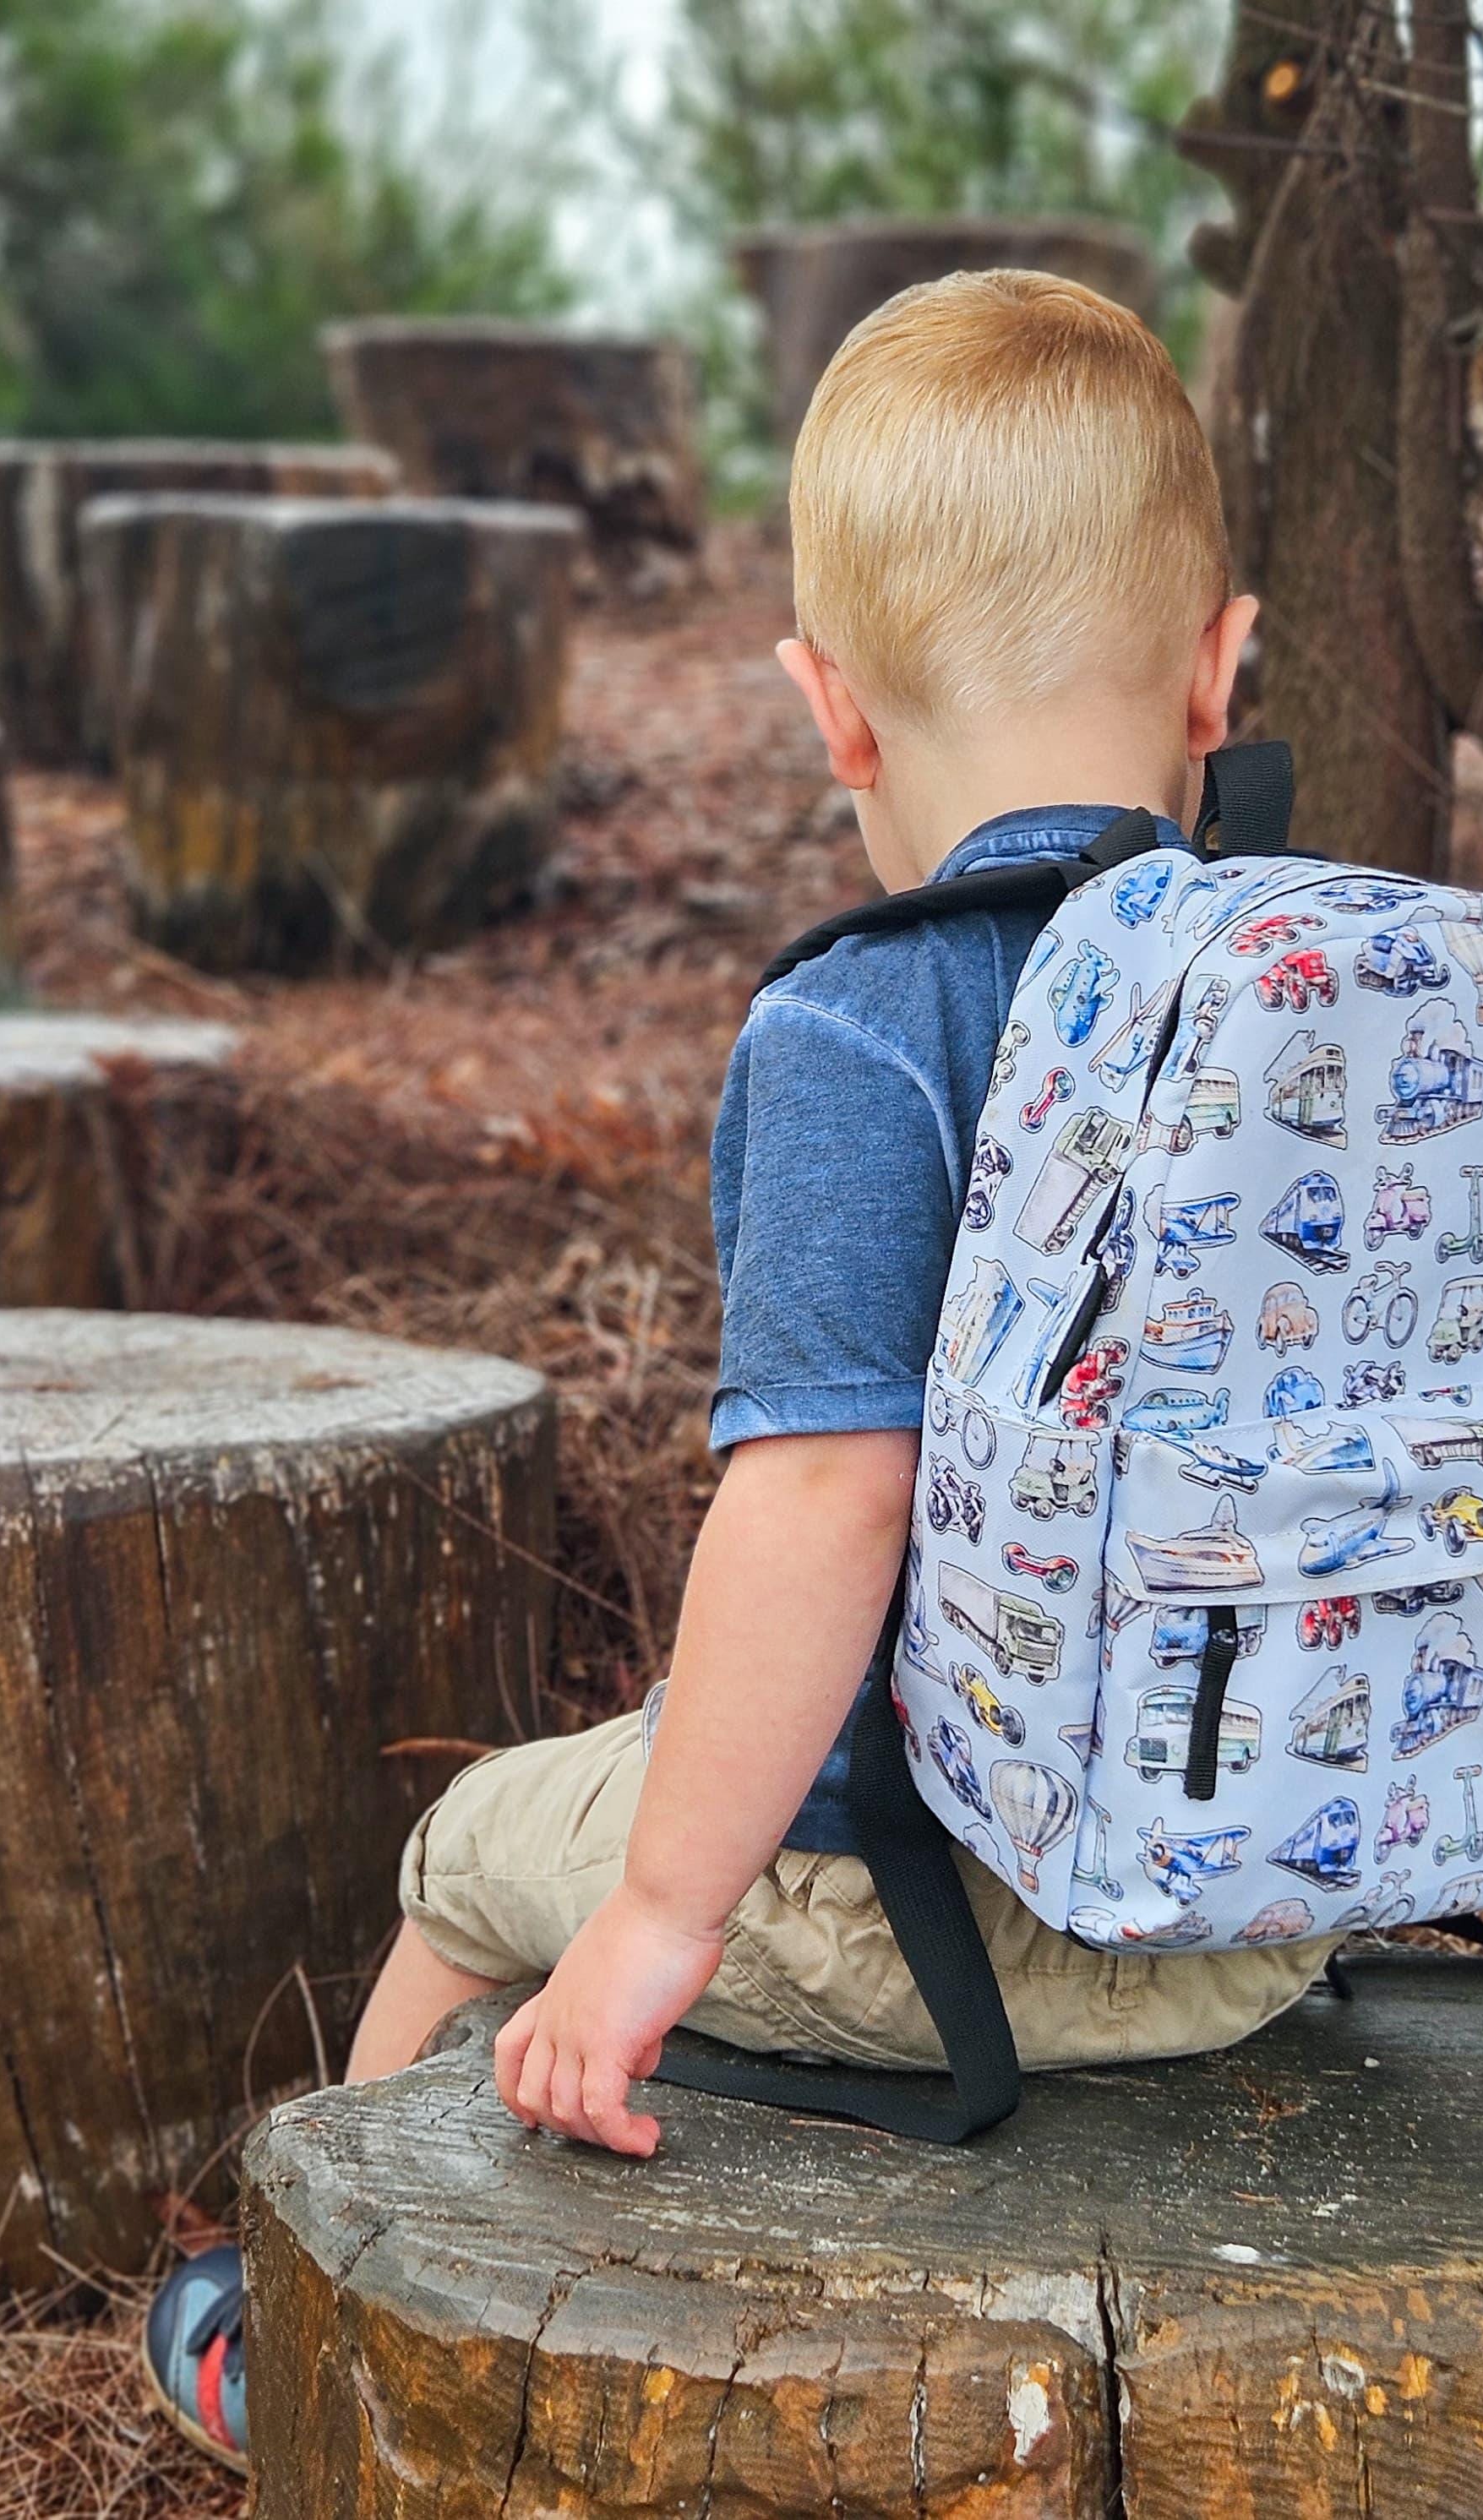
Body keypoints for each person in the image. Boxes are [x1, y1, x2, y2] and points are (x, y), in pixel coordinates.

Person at [144, 269, 1325, 2470]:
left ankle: (306, 2337)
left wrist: (658, 1923)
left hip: (982, 1942)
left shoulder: (870, 1024)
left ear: (830, 711)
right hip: (1282, 1897)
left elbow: (822, 1502)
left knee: (485, 1844)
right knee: (627, 1785)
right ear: (1212, 665)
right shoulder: (1327, 999)